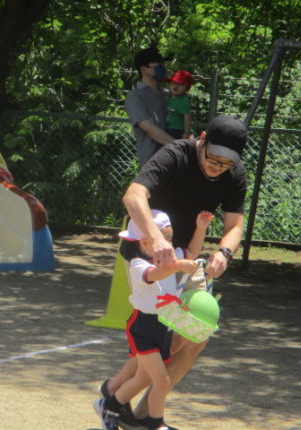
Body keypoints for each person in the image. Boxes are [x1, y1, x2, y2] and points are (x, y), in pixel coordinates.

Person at [99, 114, 248, 425]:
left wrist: (224, 253)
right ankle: (114, 394)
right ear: (202, 139)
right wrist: (155, 240)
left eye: (226, 163)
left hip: (187, 255)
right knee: (161, 335)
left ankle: (141, 415)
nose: (218, 167)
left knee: (197, 332)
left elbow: (235, 226)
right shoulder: (175, 155)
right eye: (214, 158)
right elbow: (133, 195)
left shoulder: (234, 174)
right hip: (147, 254)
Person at [94, 210, 213, 430]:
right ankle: (156, 424)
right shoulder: (138, 264)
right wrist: (179, 265)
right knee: (161, 380)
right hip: (143, 327)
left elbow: (192, 252)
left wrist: (201, 228)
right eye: (164, 239)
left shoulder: (169, 256)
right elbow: (155, 274)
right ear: (146, 242)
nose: (169, 245)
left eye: (169, 239)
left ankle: (109, 405)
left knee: (142, 379)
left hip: (162, 326)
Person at [124, 47, 176, 166]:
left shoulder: (168, 94)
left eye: (163, 64)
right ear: (143, 69)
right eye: (158, 65)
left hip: (175, 160)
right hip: (152, 164)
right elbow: (149, 128)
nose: (162, 68)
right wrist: (179, 145)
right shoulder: (135, 96)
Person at [164, 70, 194, 139]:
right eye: (173, 83)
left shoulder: (183, 100)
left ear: (186, 88)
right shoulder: (169, 98)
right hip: (168, 128)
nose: (176, 86)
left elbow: (187, 116)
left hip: (177, 130)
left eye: (180, 84)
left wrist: (187, 132)